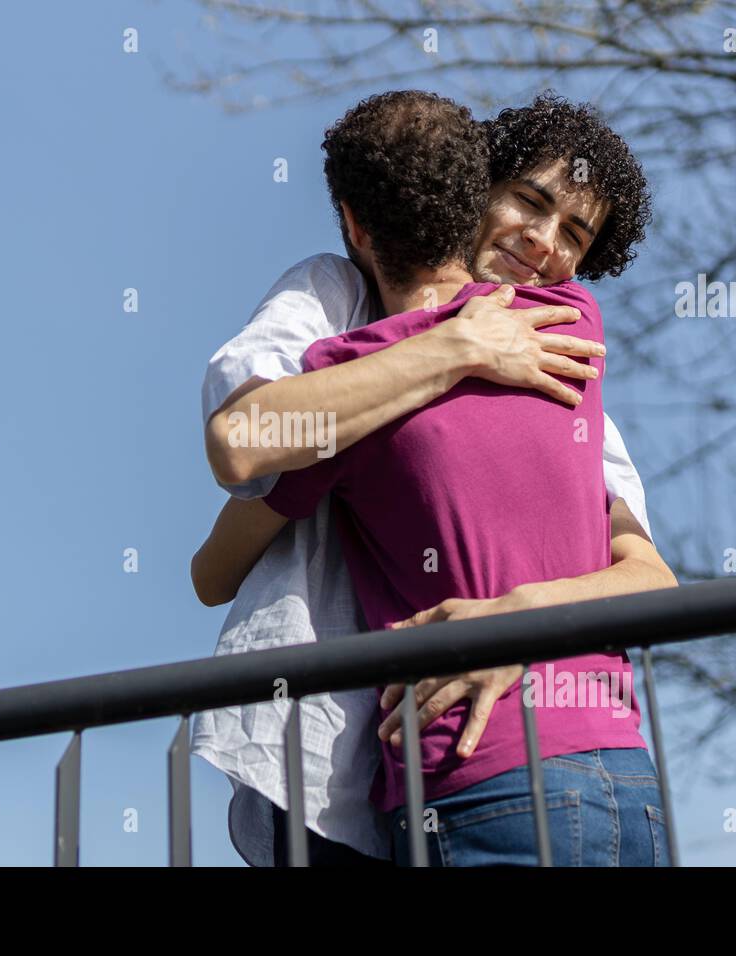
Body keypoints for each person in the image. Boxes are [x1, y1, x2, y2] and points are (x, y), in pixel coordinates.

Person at [191, 91, 673, 866]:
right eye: (529, 201)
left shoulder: (561, 356)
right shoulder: (339, 304)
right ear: (474, 186)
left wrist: (512, 622)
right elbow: (246, 445)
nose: (544, 241)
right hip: (350, 773)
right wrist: (459, 349)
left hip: (476, 770)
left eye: (574, 234)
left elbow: (648, 579)